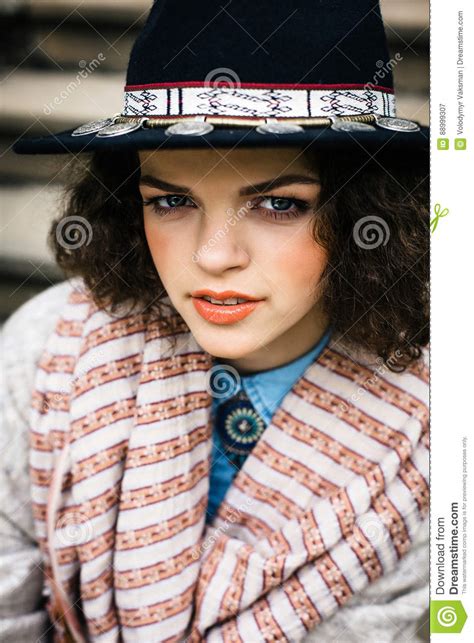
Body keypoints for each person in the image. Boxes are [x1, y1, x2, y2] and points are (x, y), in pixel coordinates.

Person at [2, 0, 429, 641]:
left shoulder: (429, 438)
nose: (213, 256)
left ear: (365, 212)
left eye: (279, 204)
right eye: (171, 201)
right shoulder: (43, 354)